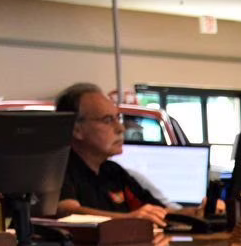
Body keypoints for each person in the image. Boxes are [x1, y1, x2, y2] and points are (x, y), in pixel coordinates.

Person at [53, 83, 176, 226]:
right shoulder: (57, 170)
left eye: (118, 118)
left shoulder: (113, 171)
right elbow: (68, 213)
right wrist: (129, 219)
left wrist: (192, 215)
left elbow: (159, 210)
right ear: (76, 130)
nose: (121, 128)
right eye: (107, 120)